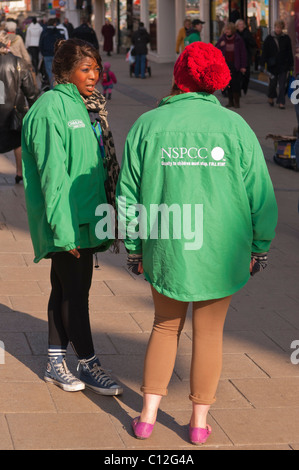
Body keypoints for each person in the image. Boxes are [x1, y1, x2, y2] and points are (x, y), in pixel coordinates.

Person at [116, 41, 278, 445]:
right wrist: (260, 245)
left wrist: (135, 247)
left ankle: (147, 415)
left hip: (166, 246)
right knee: (209, 335)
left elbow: (127, 196)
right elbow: (261, 194)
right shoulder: (236, 127)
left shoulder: (147, 125)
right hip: (221, 251)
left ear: (178, 76)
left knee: (163, 326)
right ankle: (199, 423)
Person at [21, 38, 122, 396]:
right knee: (76, 295)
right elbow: (52, 176)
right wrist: (63, 233)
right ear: (64, 72)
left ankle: (54, 362)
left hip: (84, 217)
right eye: (85, 69)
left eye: (96, 68)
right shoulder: (51, 108)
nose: (94, 75)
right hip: (67, 222)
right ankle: (90, 364)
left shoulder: (81, 105)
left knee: (65, 289)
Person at [0, 30, 37, 184]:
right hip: (15, 110)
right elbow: (30, 89)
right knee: (17, 142)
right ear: (8, 44)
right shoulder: (17, 62)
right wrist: (34, 105)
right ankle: (19, 173)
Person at [260, 20, 294, 109]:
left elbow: (289, 52)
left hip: (283, 65)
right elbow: (264, 52)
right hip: (272, 66)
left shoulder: (286, 38)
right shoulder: (269, 38)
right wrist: (262, 64)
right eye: (276, 27)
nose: (278, 29)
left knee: (282, 84)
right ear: (274, 28)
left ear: (282, 28)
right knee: (273, 83)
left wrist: (291, 65)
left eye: (279, 28)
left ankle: (281, 102)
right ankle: (271, 97)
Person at [216, 22, 247, 108]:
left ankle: (237, 102)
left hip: (235, 65)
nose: (226, 31)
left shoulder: (238, 39)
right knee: (228, 84)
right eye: (226, 29)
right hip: (225, 65)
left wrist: (243, 66)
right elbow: (215, 49)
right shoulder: (222, 39)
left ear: (232, 30)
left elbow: (243, 53)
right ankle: (230, 102)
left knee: (236, 84)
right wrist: (220, 45)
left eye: (228, 29)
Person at [39, 18, 65, 88]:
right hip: (56, 55)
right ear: (54, 24)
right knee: (57, 71)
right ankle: (56, 86)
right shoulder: (57, 32)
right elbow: (62, 42)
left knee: (50, 72)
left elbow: (41, 43)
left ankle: (53, 87)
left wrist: (43, 53)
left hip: (47, 55)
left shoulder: (44, 32)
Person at [235, 18, 256, 94]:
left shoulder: (247, 33)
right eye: (239, 24)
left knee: (247, 74)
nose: (241, 26)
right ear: (237, 26)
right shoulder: (235, 34)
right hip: (237, 56)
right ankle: (239, 89)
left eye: (242, 24)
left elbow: (253, 43)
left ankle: (244, 87)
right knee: (238, 74)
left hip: (246, 56)